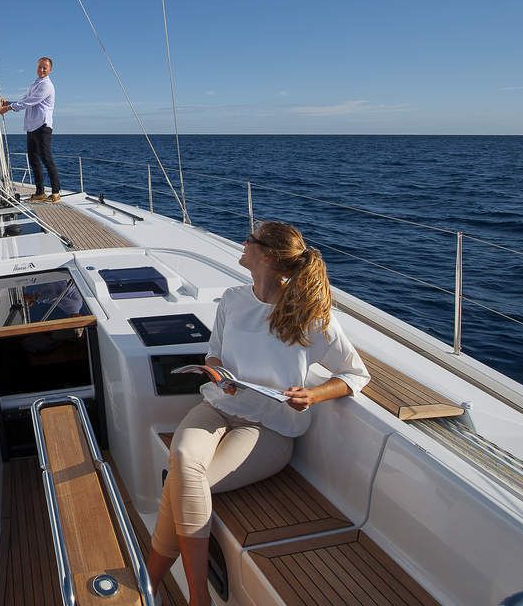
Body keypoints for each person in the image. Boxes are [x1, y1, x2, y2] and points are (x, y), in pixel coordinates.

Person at [146, 221, 370, 606]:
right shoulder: (233, 299)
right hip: (217, 406)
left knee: (181, 482)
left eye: (249, 239)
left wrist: (313, 395)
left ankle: (170, 587)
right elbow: (214, 352)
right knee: (182, 459)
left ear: (266, 256)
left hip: (268, 427)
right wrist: (217, 371)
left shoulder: (311, 316)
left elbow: (355, 374)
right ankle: (182, 592)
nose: (243, 242)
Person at [0, 56, 60, 203]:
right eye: (40, 66)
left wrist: (8, 108)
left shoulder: (47, 86)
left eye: (45, 67)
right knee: (33, 160)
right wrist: (9, 102)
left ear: (50, 69)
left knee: (46, 159)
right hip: (32, 127)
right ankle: (40, 192)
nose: (42, 69)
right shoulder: (34, 84)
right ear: (36, 68)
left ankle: (56, 192)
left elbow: (30, 101)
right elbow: (24, 100)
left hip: (43, 127)